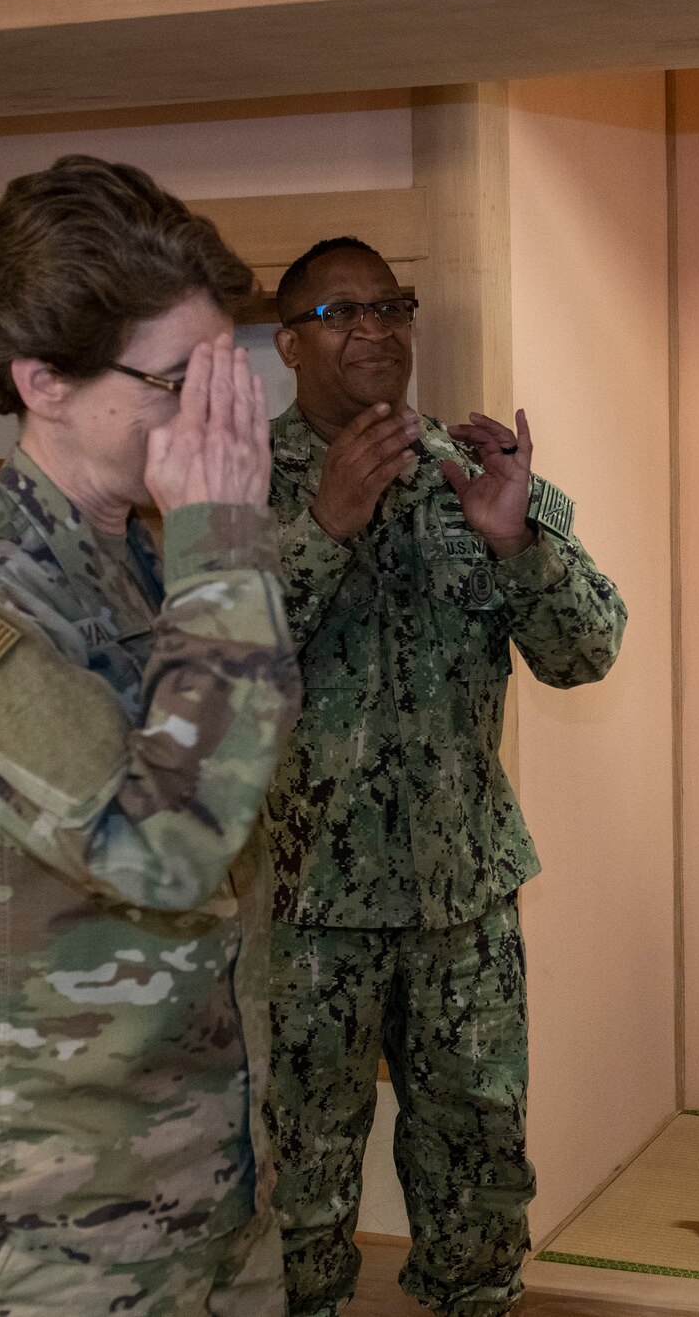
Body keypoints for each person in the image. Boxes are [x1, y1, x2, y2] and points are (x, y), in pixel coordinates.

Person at [0, 155, 302, 1317]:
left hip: (207, 1182)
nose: (215, 418)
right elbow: (166, 850)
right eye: (175, 382)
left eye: (225, 376)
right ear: (43, 380)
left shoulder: (149, 557)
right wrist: (227, 545)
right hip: (50, 1229)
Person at [259, 236, 626, 1317]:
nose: (374, 327)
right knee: (307, 1170)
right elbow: (201, 673)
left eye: (390, 305)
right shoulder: (233, 487)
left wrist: (520, 547)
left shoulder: (474, 469)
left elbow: (588, 650)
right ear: (286, 342)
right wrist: (322, 527)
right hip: (310, 899)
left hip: (461, 893)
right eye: (341, 311)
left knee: (477, 1158)